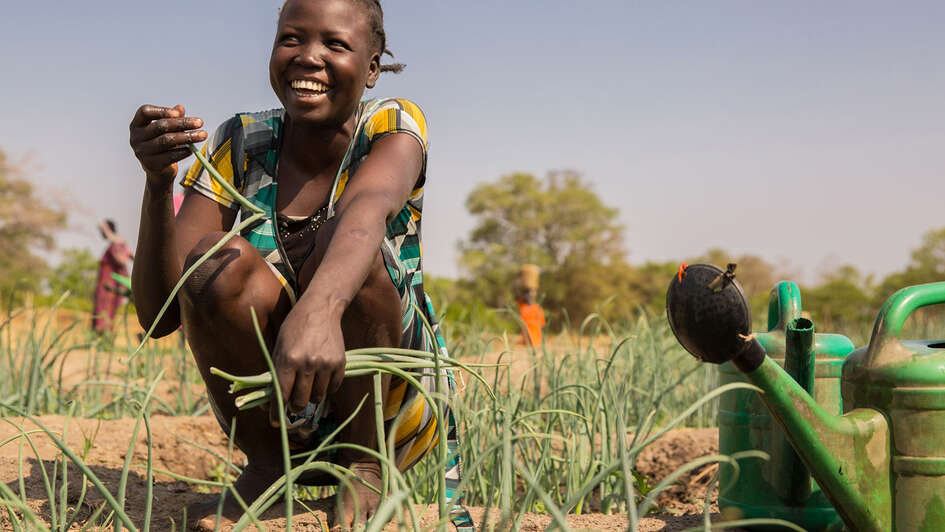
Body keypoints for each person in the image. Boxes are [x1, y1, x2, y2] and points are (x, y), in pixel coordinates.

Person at [128, 1, 470, 530]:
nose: (309, 57)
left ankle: (364, 467)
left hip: (386, 409)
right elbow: (159, 316)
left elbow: (367, 210)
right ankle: (269, 468)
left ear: (372, 68)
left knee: (347, 241)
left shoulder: (393, 124)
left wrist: (320, 310)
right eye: (291, 38)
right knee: (217, 262)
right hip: (272, 411)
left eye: (335, 44)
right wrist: (157, 184)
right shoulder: (240, 141)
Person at [91, 219, 133, 333]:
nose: (101, 233)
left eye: (102, 231)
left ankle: (104, 334)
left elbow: (123, 259)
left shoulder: (117, 244)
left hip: (110, 286)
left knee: (105, 311)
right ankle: (102, 333)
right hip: (107, 285)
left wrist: (106, 229)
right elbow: (131, 256)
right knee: (103, 311)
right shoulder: (118, 244)